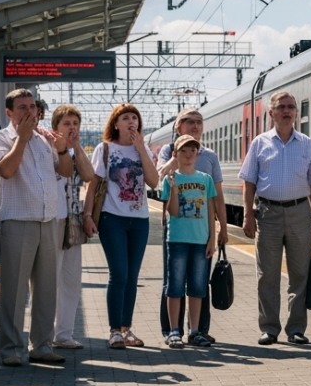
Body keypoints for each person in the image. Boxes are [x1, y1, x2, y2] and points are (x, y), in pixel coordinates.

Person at [0, 89, 73, 366]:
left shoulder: (45, 140)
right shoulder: (0, 139)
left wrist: (62, 148)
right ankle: (11, 349)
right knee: (14, 290)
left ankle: (42, 346)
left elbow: (66, 171)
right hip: (17, 221)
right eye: (22, 107)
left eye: (32, 107)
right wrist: (22, 139)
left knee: (47, 289)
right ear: (9, 113)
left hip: (48, 221)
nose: (30, 112)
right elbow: (6, 170)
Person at [240, 90, 311, 346]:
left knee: (300, 273)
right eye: (282, 107)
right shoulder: (260, 143)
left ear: (296, 112)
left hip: (299, 212)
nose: (287, 111)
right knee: (267, 274)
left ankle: (296, 328)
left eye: (291, 107)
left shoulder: (306, 143)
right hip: (268, 213)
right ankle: (269, 328)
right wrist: (248, 214)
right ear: (271, 113)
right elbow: (249, 182)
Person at [82, 103, 160, 349]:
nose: (131, 121)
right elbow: (93, 186)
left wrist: (141, 149)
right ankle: (115, 330)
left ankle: (126, 329)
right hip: (111, 218)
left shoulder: (143, 149)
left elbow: (153, 181)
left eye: (134, 118)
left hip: (139, 221)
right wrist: (87, 215)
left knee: (132, 277)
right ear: (115, 124)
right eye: (125, 118)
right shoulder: (105, 149)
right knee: (119, 274)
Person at [155, 107, 228, 342]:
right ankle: (171, 330)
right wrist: (174, 160)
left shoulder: (210, 157)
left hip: (201, 231)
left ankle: (198, 330)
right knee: (173, 282)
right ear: (178, 128)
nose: (195, 125)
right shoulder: (168, 151)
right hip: (176, 229)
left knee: (199, 283)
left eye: (199, 121)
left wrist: (221, 228)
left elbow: (217, 197)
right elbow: (159, 178)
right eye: (189, 121)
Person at [161, 135, 218, 348]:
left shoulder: (206, 179)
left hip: (200, 240)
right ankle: (174, 330)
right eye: (183, 151)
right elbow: (173, 212)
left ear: (197, 154)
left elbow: (210, 210)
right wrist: (174, 189)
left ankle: (194, 331)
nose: (188, 155)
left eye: (192, 151)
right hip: (177, 240)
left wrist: (212, 238)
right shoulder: (170, 180)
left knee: (197, 287)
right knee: (175, 287)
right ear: (175, 155)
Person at [51, 104, 95, 349]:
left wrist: (77, 146)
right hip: (51, 219)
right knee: (49, 280)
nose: (72, 128)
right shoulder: (48, 149)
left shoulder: (77, 152)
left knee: (71, 280)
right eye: (66, 123)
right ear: (56, 127)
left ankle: (64, 334)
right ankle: (44, 334)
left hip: (73, 221)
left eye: (75, 124)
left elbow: (89, 176)